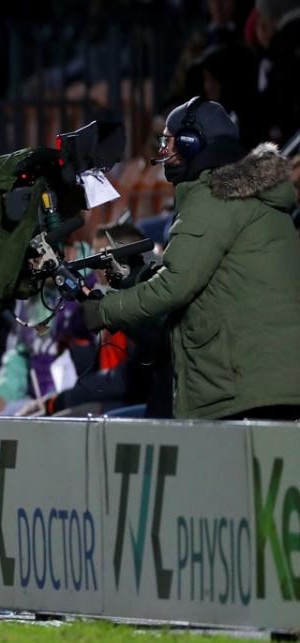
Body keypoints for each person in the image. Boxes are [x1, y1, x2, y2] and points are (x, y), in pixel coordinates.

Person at [83, 97, 300, 420]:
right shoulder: (246, 196)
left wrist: (103, 309)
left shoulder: (214, 194)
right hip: (270, 382)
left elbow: (176, 286)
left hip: (244, 388)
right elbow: (206, 277)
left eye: (168, 141)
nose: (163, 151)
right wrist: (137, 277)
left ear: (192, 142)